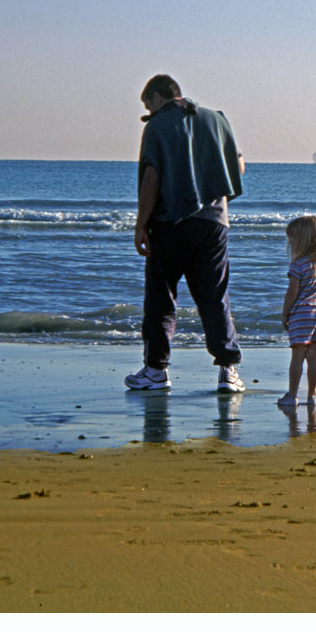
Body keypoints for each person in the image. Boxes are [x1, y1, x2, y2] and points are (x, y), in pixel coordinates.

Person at [124, 74, 247, 393]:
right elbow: (239, 167)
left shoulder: (157, 126)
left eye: (147, 105)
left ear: (156, 97)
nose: (147, 113)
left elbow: (152, 176)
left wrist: (140, 225)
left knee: (161, 298)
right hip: (213, 222)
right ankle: (228, 371)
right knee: (215, 296)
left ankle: (156, 370)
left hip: (169, 223)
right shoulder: (216, 119)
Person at [278, 215, 316, 408]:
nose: (290, 241)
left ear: (302, 239)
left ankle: (292, 395)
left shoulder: (298, 264)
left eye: (292, 237)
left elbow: (292, 290)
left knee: (297, 356)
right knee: (314, 355)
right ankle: (313, 394)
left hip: (301, 312)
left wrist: (285, 313)